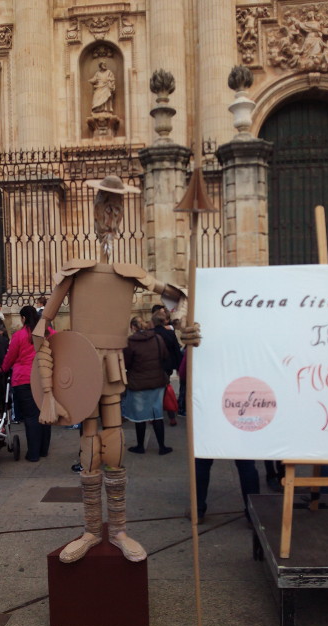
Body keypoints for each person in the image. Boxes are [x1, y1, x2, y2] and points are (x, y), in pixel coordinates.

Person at [32, 173, 199, 565]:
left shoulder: (131, 273)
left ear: (122, 215)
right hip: (81, 364)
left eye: (117, 206)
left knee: (114, 445)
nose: (110, 213)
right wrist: (48, 393)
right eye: (104, 204)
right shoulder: (74, 271)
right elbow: (43, 330)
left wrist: (185, 326)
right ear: (93, 211)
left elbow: (177, 298)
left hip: (112, 368)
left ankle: (119, 529)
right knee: (89, 448)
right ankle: (92, 530)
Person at [2, 306, 54, 462]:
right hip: (45, 378)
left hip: (24, 379)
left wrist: (2, 369)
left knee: (31, 417)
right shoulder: (48, 333)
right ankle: (43, 450)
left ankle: (33, 453)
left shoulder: (19, 335)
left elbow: (10, 357)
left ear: (23, 318)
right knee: (45, 413)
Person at [122, 319, 172, 456]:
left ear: (133, 327)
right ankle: (162, 446)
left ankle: (140, 446)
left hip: (138, 383)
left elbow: (126, 363)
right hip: (157, 382)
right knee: (157, 414)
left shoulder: (130, 342)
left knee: (140, 416)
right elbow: (165, 356)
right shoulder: (157, 338)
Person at [151, 309, 182, 426]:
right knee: (166, 390)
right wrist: (179, 367)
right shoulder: (169, 333)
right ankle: (171, 417)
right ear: (164, 321)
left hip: (154, 366)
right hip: (167, 367)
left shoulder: (150, 333)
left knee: (155, 392)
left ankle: (154, 417)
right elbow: (176, 350)